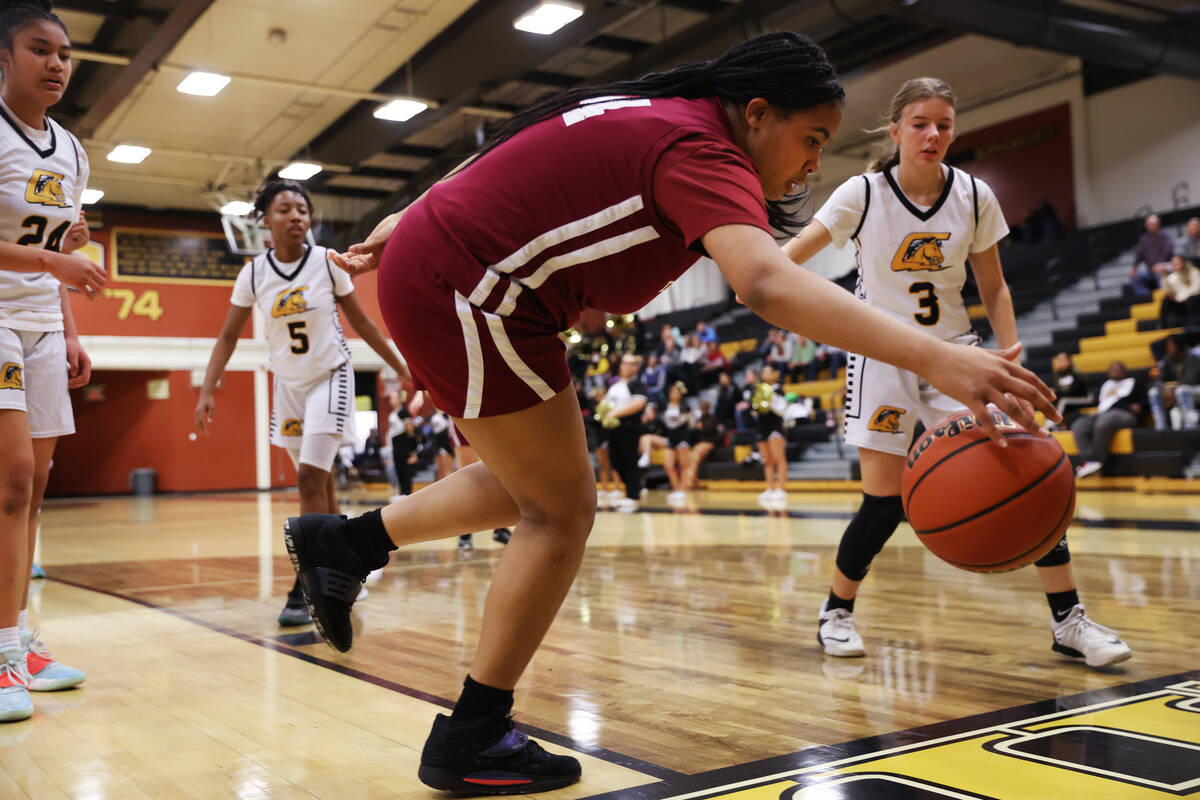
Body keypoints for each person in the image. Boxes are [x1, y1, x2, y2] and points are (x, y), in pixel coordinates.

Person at [289, 35, 1057, 794]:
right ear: (757, 113)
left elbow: (527, 129)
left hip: (458, 272)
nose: (814, 163)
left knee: (539, 486)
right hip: (472, 287)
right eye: (812, 138)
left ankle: (346, 543)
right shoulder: (706, 151)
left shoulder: (666, 108)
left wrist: (415, 210)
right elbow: (763, 284)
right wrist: (942, 355)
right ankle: (471, 731)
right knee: (561, 513)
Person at [782, 77, 1129, 669]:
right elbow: (783, 265)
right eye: (920, 123)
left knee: (1029, 475)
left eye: (944, 124)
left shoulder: (973, 194)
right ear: (895, 131)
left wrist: (1011, 352)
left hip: (958, 357)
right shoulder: (861, 193)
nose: (933, 134)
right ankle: (835, 613)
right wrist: (840, 317)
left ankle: (1069, 622)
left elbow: (993, 286)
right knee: (884, 503)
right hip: (881, 359)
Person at [194, 180, 411, 626]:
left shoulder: (325, 263)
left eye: (302, 210)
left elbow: (363, 323)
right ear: (265, 221)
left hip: (331, 376)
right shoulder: (253, 273)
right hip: (287, 387)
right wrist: (206, 389)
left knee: (311, 477)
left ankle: (306, 583)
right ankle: (344, 570)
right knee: (320, 481)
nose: (296, 217)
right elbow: (228, 336)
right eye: (285, 209)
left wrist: (402, 367)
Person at [0, 0, 109, 723]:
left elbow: (65, 254)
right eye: (40, 49)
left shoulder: (72, 150)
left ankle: (18, 642)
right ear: (3, 58)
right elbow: (45, 256)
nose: (58, 63)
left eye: (65, 53)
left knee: (35, 488)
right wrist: (46, 261)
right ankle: (2, 649)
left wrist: (69, 326)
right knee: (9, 481)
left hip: (43, 324)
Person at [1073, 361, 1147, 476]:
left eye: (1118, 369)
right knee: (1079, 425)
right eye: (1112, 369)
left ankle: (1097, 461)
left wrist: (1138, 406)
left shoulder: (1135, 383)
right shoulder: (1106, 385)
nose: (1115, 371)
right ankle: (1089, 462)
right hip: (1102, 414)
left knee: (1104, 423)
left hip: (1124, 414)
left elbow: (1145, 402)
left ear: (1125, 371)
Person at [752, 364, 789, 506]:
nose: (765, 374)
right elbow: (755, 409)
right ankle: (769, 487)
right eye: (764, 372)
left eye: (769, 372)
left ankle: (782, 488)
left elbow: (781, 410)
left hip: (775, 426)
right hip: (762, 426)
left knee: (779, 457)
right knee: (767, 459)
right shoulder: (759, 389)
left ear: (775, 374)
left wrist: (769, 399)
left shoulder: (778, 390)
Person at [1148, 336, 1199, 430]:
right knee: (1154, 392)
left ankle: (1190, 427)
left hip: (1195, 389)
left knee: (1182, 390)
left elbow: (1190, 381)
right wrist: (1163, 388)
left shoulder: (1192, 358)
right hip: (1177, 389)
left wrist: (1171, 390)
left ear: (1178, 346)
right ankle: (1160, 427)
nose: (1168, 348)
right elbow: (1158, 379)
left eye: (1170, 346)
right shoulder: (1168, 359)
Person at [1127, 214, 1174, 299]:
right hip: (1151, 269)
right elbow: (1139, 255)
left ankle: (1163, 299)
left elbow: (1168, 252)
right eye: (1149, 225)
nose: (1151, 227)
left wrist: (1160, 265)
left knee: (1160, 276)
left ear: (1158, 224)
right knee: (1135, 279)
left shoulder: (1165, 236)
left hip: (1166, 266)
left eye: (1153, 224)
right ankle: (1149, 297)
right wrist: (1134, 268)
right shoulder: (1144, 239)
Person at [683, 399, 722, 489]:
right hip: (698, 444)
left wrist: (701, 427)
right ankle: (693, 482)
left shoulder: (712, 418)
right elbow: (692, 432)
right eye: (702, 406)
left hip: (708, 443)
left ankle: (688, 484)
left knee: (695, 456)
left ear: (708, 408)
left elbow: (710, 431)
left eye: (705, 406)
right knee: (688, 456)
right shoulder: (699, 419)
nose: (703, 408)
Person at [1050, 351, 1093, 430]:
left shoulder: (1076, 374)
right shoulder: (1057, 376)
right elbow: (1062, 392)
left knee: (1063, 401)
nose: (1060, 362)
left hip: (1084, 398)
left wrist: (1058, 393)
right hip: (1070, 401)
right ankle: (1058, 424)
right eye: (1058, 360)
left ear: (1069, 361)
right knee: (1052, 398)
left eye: (1063, 360)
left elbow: (1076, 391)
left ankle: (1053, 424)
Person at [1159, 255, 1200, 329]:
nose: (1175, 265)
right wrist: (1164, 275)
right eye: (1173, 263)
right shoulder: (1172, 277)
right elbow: (1166, 291)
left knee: (1192, 299)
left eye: (1177, 262)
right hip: (1181, 302)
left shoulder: (1194, 271)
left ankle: (1192, 326)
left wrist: (1181, 298)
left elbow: (1196, 289)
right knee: (1166, 301)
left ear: (1183, 262)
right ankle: (1162, 326)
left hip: (1193, 299)